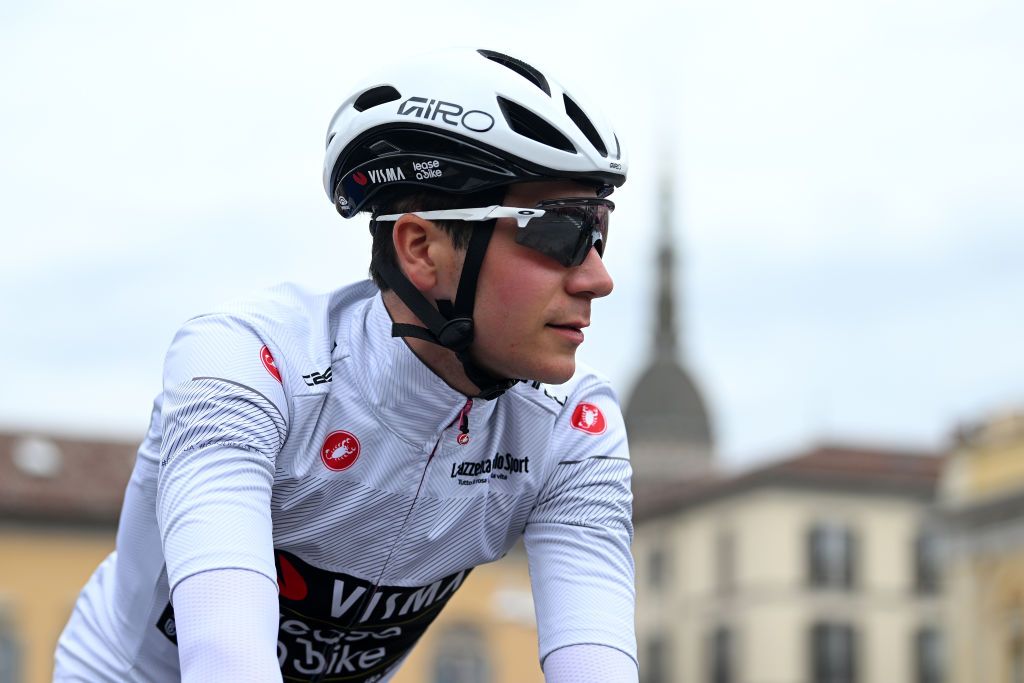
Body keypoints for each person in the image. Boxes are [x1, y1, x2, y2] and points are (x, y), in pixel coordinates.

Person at [55, 47, 637, 682]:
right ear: (420, 248)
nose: (598, 278)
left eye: (599, 232)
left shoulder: (572, 428)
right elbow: (227, 659)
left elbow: (597, 664)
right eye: (560, 233)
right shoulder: (246, 362)